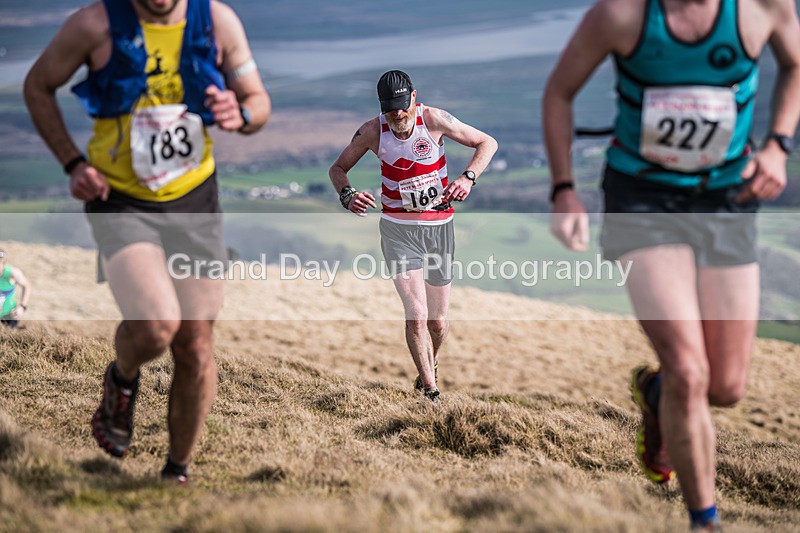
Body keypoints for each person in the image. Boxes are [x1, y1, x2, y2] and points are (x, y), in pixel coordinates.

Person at [543, 0, 800, 529]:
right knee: (689, 369)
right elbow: (558, 93)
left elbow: (795, 63)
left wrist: (778, 144)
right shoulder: (621, 14)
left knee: (725, 387)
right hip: (642, 201)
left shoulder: (762, 7)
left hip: (726, 200)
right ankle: (704, 520)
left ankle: (656, 393)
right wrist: (564, 189)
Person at [23, 0, 271, 484]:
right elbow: (37, 85)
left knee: (195, 345)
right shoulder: (94, 24)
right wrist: (73, 162)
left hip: (194, 199)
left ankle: (176, 473)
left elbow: (258, 103)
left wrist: (241, 112)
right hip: (120, 199)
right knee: (157, 327)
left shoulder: (217, 21)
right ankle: (122, 379)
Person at [329, 70, 497, 403]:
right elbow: (337, 169)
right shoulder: (371, 132)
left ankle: (430, 367)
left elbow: (487, 142)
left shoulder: (434, 119)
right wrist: (347, 195)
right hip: (398, 230)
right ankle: (430, 392)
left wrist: (468, 178)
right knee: (417, 314)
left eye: (403, 107)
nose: (398, 115)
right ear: (382, 107)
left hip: (439, 228)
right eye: (391, 110)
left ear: (414, 99)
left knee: (437, 322)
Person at [0, 250, 31, 329]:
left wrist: (22, 307)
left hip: (8, 315)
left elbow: (27, 286)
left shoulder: (12, 272)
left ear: (3, 263)